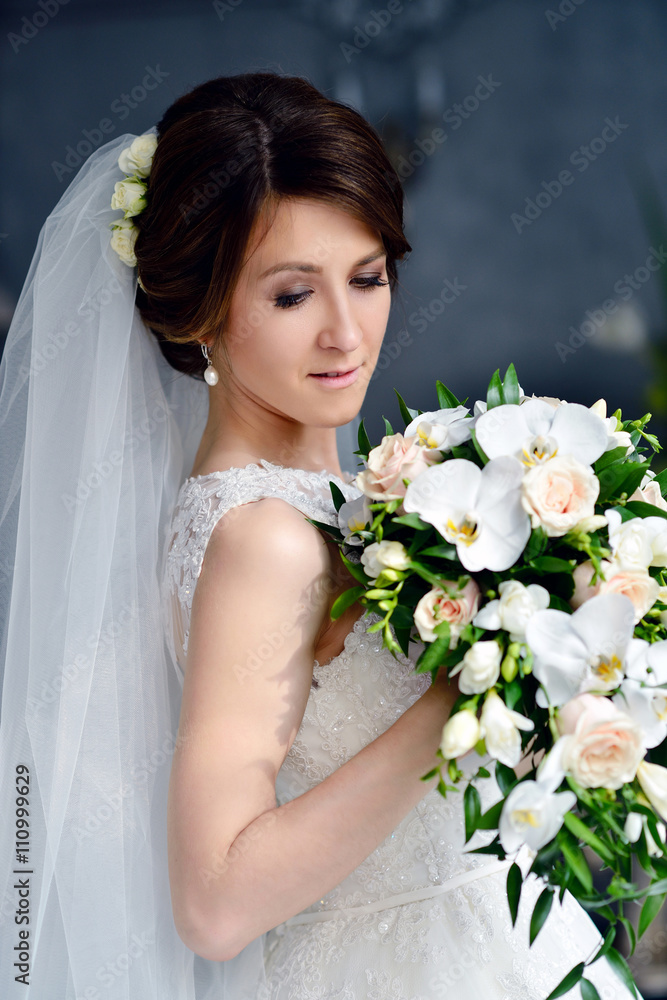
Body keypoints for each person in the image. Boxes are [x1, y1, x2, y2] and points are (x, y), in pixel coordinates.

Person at [0, 71, 638, 999]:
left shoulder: (336, 500)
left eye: (367, 278)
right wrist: (467, 696)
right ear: (202, 313)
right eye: (294, 295)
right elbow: (214, 903)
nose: (346, 332)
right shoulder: (264, 538)